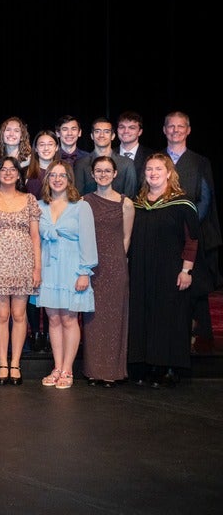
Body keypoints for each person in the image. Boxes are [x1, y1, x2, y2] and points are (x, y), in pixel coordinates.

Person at [128, 153, 199, 388]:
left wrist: (186, 270)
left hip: (170, 272)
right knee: (143, 315)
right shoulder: (137, 203)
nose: (153, 173)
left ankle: (167, 368)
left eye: (159, 169)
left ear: (169, 173)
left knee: (168, 318)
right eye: (149, 169)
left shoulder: (182, 203)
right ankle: (145, 365)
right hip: (141, 270)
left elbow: (192, 240)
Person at [0, 156, 41, 386]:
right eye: (3, 169)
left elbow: (35, 237)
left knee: (20, 315)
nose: (8, 173)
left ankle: (16, 363)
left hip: (24, 262)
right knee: (2, 315)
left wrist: (37, 268)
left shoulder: (30, 199)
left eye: (13, 169)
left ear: (19, 175)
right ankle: (3, 363)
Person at [34, 161, 97, 389]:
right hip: (49, 268)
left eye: (62, 175)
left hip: (72, 268)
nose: (57, 179)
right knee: (53, 318)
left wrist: (84, 272)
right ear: (47, 178)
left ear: (69, 179)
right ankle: (57, 366)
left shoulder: (81, 206)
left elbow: (88, 241)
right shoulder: (39, 206)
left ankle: (68, 369)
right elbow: (35, 241)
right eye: (53, 175)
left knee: (69, 319)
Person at [163, 111, 221, 353]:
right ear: (164, 130)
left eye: (181, 127)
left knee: (194, 287)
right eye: (171, 126)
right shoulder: (156, 160)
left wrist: (186, 227)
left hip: (193, 233)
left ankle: (199, 337)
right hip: (164, 236)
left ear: (188, 130)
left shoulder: (199, 162)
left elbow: (205, 200)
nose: (175, 130)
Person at [82, 156, 135, 387]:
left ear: (115, 174)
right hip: (91, 267)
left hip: (115, 267)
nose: (103, 175)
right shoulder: (84, 202)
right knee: (93, 319)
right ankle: (93, 370)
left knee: (114, 319)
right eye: (98, 171)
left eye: (107, 171)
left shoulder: (126, 203)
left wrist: (116, 263)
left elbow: (126, 238)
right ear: (93, 175)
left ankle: (112, 372)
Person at [23, 129, 60, 353]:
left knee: (51, 283)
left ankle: (48, 331)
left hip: (56, 236)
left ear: (56, 148)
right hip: (32, 234)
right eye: (42, 144)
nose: (46, 148)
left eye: (50, 144)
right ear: (36, 148)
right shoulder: (28, 173)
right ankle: (36, 331)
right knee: (34, 285)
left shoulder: (63, 171)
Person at [75, 117, 137, 198]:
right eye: (97, 131)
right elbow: (77, 196)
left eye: (106, 132)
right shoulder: (81, 163)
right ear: (92, 136)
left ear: (113, 136)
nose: (101, 135)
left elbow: (130, 196)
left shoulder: (126, 164)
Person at [116, 111, 153, 177]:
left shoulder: (151, 156)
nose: (126, 131)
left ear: (140, 132)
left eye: (131, 128)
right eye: (122, 127)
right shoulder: (108, 155)